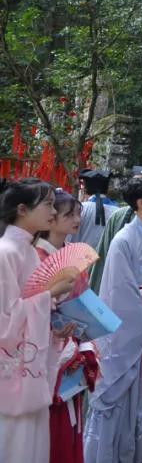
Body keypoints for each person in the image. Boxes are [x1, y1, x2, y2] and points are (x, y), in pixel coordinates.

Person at [84, 175, 142, 463]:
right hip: (135, 325)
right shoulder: (122, 240)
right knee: (124, 385)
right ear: (141, 203)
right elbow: (119, 290)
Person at [0, 179, 77, 463]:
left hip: (30, 365)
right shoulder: (5, 252)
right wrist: (49, 295)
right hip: (11, 374)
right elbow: (4, 321)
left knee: (33, 447)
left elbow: (26, 310)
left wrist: (55, 333)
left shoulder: (29, 252)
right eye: (47, 204)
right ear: (22, 209)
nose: (54, 212)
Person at [36, 188, 99, 463]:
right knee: (52, 426)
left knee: (72, 422)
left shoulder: (72, 255)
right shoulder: (34, 257)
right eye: (68, 214)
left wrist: (86, 340)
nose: (76, 219)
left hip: (74, 343)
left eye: (77, 213)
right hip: (48, 350)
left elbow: (85, 303)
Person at [71, 169, 116, 249]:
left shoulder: (80, 208)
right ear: (107, 189)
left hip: (80, 257)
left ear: (85, 189)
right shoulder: (118, 211)